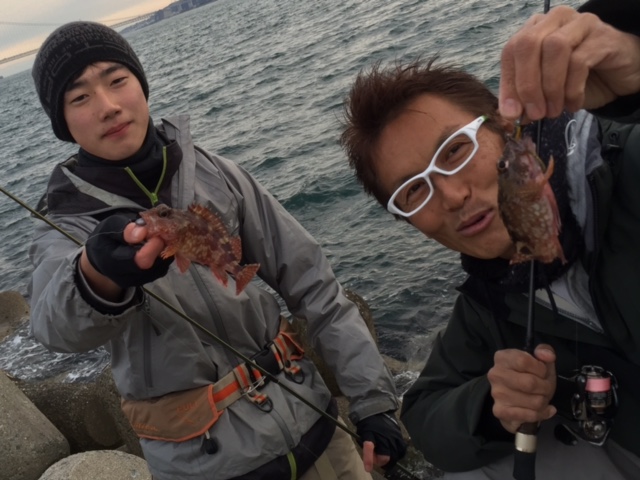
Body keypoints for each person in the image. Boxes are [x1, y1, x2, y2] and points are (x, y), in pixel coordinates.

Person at [28, 21, 407, 480]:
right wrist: (96, 276)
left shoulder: (216, 172)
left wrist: (373, 401)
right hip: (205, 465)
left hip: (319, 430)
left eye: (117, 80)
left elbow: (314, 283)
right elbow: (53, 328)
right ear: (63, 123)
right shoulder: (64, 220)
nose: (108, 106)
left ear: (141, 85)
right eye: (79, 97)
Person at [340, 0, 640, 478]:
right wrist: (491, 405)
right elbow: (424, 414)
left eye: (454, 150)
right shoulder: (488, 301)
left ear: (503, 127)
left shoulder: (621, 166)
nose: (452, 195)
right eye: (414, 190)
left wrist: (634, 65)